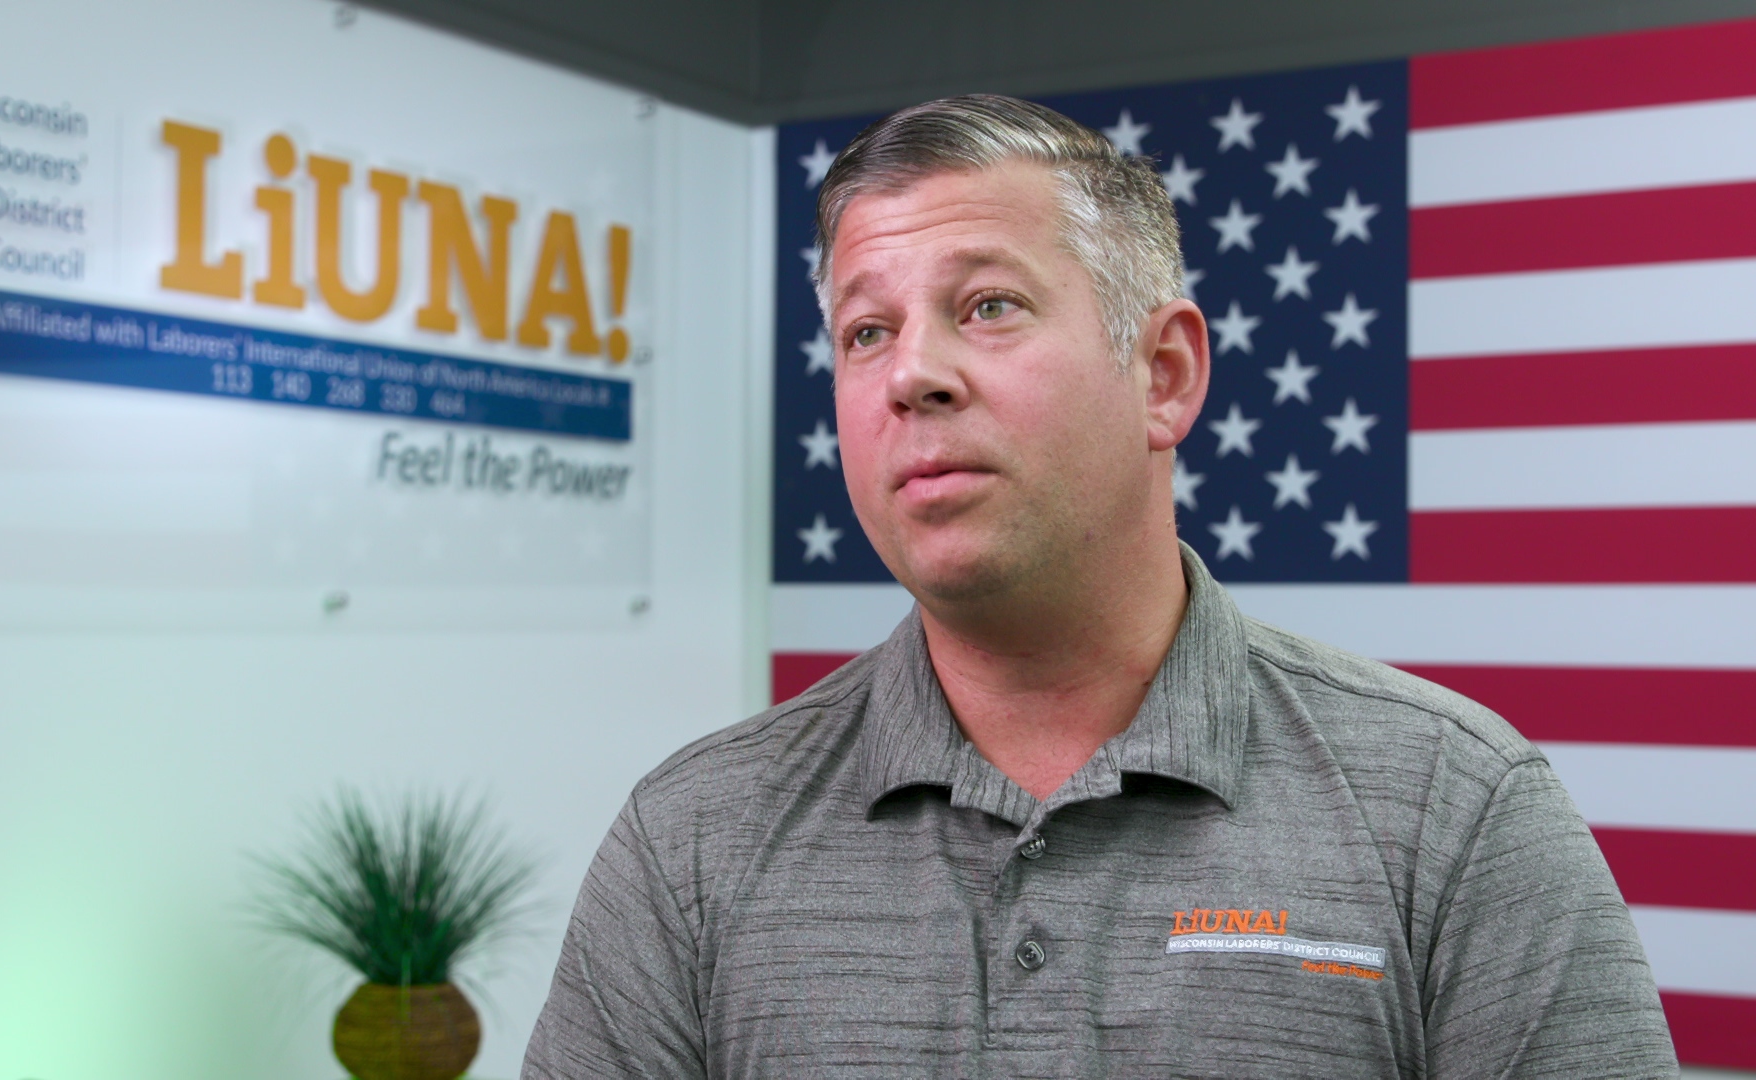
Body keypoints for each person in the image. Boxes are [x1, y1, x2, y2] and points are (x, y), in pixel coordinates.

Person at [522, 94, 1676, 1078]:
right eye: (866, 330)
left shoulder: (1456, 814)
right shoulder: (689, 843)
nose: (912, 373)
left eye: (988, 306)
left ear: (1163, 374)